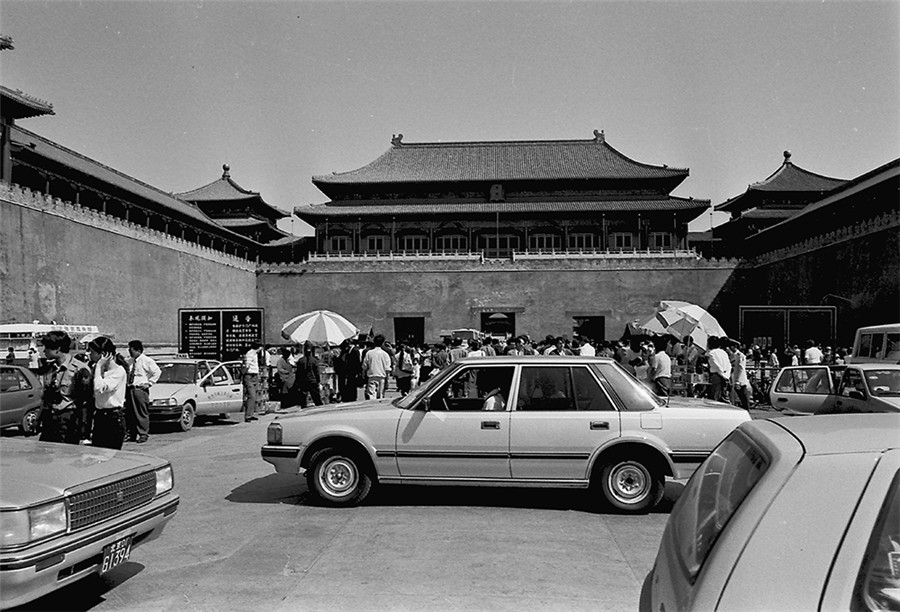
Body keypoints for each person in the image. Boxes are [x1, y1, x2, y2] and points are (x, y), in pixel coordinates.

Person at [37, 331, 93, 444]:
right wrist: (38, 419)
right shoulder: (49, 368)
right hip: (50, 418)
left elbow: (86, 401)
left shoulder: (79, 368)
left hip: (69, 419)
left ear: (57, 349)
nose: (44, 351)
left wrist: (84, 428)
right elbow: (45, 397)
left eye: (47, 348)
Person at [87, 336, 128, 449]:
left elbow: (99, 388)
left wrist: (99, 366)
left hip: (113, 417)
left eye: (92, 352)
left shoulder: (118, 372)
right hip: (100, 416)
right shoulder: (98, 370)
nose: (89, 355)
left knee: (111, 456)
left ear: (103, 354)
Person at [124, 339, 160, 443]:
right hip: (130, 389)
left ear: (138, 350)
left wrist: (149, 383)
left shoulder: (146, 361)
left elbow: (157, 372)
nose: (129, 352)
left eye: (131, 350)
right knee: (130, 413)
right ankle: (131, 433)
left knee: (141, 412)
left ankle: (143, 433)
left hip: (140, 389)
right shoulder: (130, 361)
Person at [361, 334, 392, 399]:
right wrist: (387, 380)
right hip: (382, 377)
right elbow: (387, 369)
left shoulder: (369, 353)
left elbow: (364, 366)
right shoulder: (385, 354)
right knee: (380, 396)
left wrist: (363, 373)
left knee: (371, 395)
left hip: (372, 376)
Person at [294, 341, 323, 408]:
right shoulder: (314, 360)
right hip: (313, 380)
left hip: (303, 381)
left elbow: (298, 373)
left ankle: (303, 409)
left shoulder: (301, 360)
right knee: (317, 398)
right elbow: (317, 372)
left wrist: (297, 382)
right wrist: (318, 381)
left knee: (303, 399)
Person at [726, 341, 752, 410]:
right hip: (733, 377)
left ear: (734, 347)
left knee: (742, 395)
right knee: (736, 395)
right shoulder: (732, 355)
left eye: (731, 346)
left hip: (740, 379)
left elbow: (741, 368)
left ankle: (747, 408)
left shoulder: (740, 355)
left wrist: (738, 380)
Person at [707, 336, 733, 403]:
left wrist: (721, 374)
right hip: (726, 375)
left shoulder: (711, 353)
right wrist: (726, 375)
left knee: (715, 396)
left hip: (717, 375)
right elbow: (729, 365)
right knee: (723, 396)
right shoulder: (723, 352)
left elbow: (716, 365)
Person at [241, 341, 261, 422]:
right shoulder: (250, 354)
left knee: (254, 396)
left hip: (254, 376)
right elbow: (247, 365)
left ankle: (251, 414)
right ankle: (248, 415)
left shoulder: (255, 354)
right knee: (252, 396)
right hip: (249, 376)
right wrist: (243, 374)